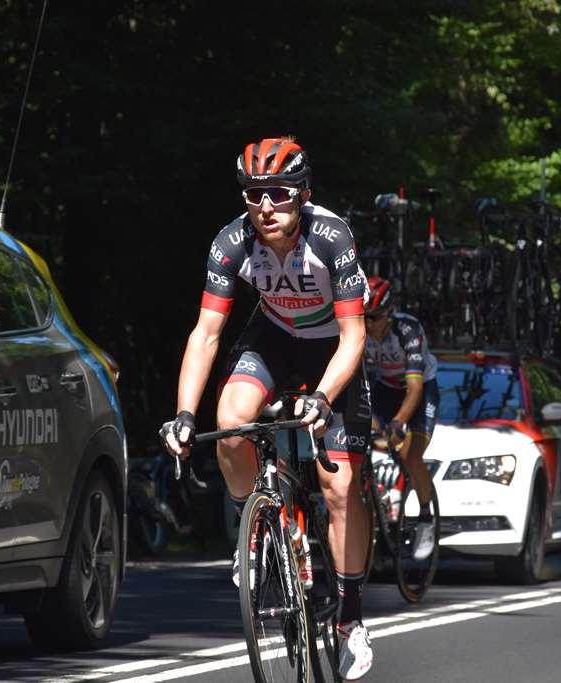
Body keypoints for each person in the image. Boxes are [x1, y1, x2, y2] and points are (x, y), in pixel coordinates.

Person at [160, 137, 374, 680]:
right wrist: (183, 415)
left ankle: (350, 620)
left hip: (332, 347)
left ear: (303, 194)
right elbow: (206, 334)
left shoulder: (331, 237)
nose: (266, 206)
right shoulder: (231, 242)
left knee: (340, 487)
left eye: (279, 193)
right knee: (230, 423)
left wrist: (323, 397)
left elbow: (354, 336)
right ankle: (253, 532)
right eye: (254, 194)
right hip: (275, 336)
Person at [363, 276, 439, 559]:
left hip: (419, 390)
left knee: (411, 456)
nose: (367, 324)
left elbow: (415, 387)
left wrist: (397, 423)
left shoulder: (408, 330)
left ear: (389, 313)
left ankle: (426, 519)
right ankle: (376, 509)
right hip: (385, 388)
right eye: (363, 317)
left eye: (373, 317)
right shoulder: (358, 330)